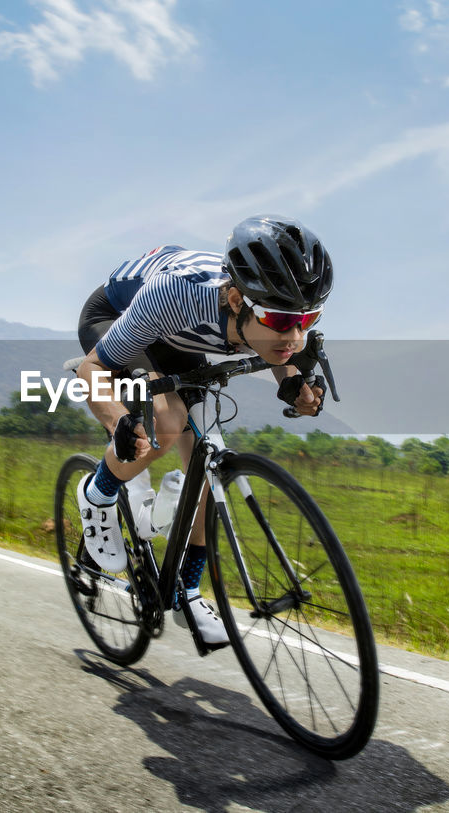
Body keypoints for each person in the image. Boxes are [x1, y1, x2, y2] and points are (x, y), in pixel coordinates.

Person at [72, 215, 333, 649]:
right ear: (235, 299)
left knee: (207, 465)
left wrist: (296, 384)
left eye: (308, 318)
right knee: (169, 423)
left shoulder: (273, 313)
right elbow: (92, 368)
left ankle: (186, 591)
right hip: (122, 316)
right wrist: (120, 421)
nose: (296, 334)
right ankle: (98, 493)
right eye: (283, 321)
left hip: (182, 339)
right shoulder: (179, 295)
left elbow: (282, 344)